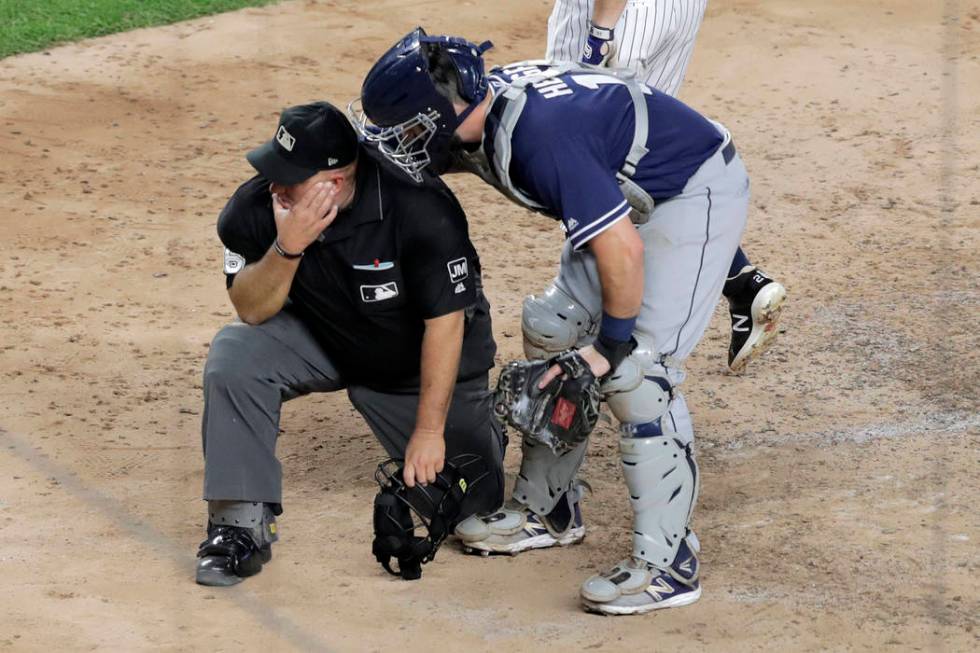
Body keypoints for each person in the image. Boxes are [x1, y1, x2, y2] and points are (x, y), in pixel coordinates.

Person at [353, 28, 761, 615]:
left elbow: (622, 250)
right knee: (554, 327)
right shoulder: (478, 116)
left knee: (638, 375)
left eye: (410, 131)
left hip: (689, 194)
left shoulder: (541, 137)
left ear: (446, 110)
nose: (403, 144)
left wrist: (611, 347)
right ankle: (550, 508)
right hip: (628, 190)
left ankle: (669, 564)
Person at [195, 101, 505, 586]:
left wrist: (428, 432)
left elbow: (445, 325)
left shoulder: (418, 208)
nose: (274, 186)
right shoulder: (257, 208)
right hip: (326, 335)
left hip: (416, 363)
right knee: (235, 356)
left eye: (290, 178)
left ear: (334, 182)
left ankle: (484, 427)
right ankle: (238, 527)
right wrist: (287, 246)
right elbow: (251, 308)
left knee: (471, 510)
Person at [548, 0, 786, 373]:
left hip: (618, 16)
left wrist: (600, 32)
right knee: (644, 155)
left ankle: (607, 341)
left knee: (583, 156)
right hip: (671, 11)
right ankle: (741, 282)